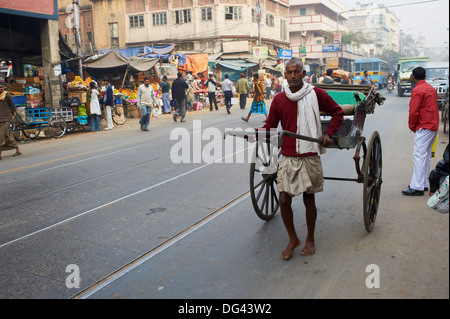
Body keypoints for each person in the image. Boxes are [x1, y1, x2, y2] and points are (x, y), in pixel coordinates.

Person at [256, 58, 344, 259]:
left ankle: (310, 239)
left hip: (309, 153)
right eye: (289, 72)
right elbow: (270, 126)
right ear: (284, 75)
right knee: (284, 199)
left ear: (304, 74)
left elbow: (337, 112)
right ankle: (293, 238)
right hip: (288, 156)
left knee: (308, 199)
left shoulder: (316, 94)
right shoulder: (279, 99)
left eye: (297, 72)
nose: (293, 76)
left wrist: (328, 133)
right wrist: (256, 133)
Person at [402, 67, 440, 196]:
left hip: (424, 126)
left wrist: (412, 126)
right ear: (425, 75)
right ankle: (422, 183)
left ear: (413, 77)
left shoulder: (417, 90)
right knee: (426, 156)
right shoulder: (431, 88)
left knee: (419, 156)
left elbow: (413, 111)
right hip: (433, 126)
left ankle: (417, 187)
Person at [0, 84, 22, 160]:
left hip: (6, 118)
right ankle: (18, 150)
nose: (0, 89)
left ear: (3, 88)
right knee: (7, 136)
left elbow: (12, 107)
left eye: (1, 87)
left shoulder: (7, 96)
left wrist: (11, 115)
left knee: (2, 136)